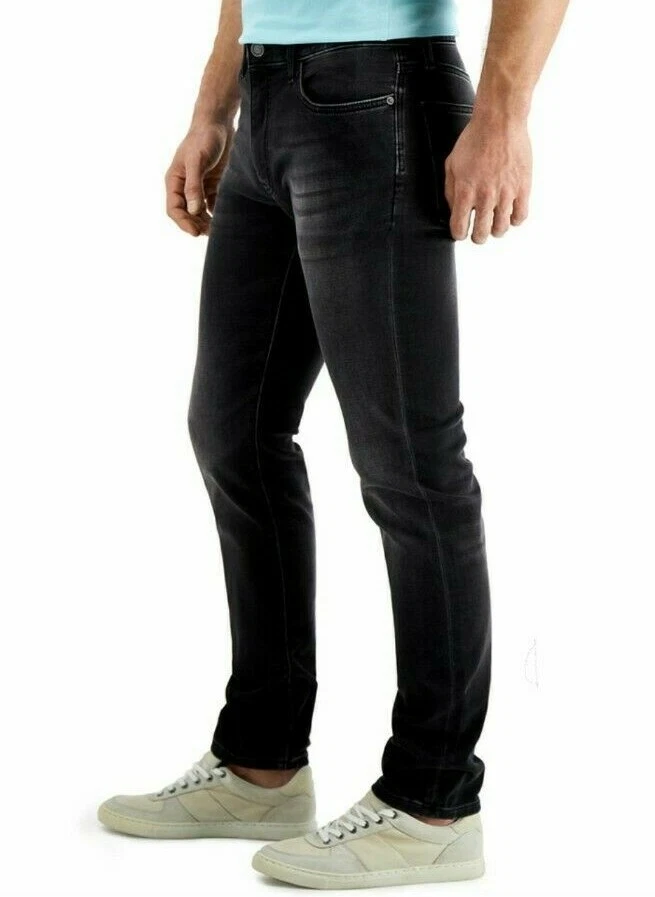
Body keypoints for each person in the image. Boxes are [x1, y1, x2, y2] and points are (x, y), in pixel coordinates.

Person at [98, 0, 568, 888]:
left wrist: (503, 116)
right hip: (270, 96)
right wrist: (213, 107)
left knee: (409, 463)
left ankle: (432, 801)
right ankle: (260, 763)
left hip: (380, 91)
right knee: (232, 430)